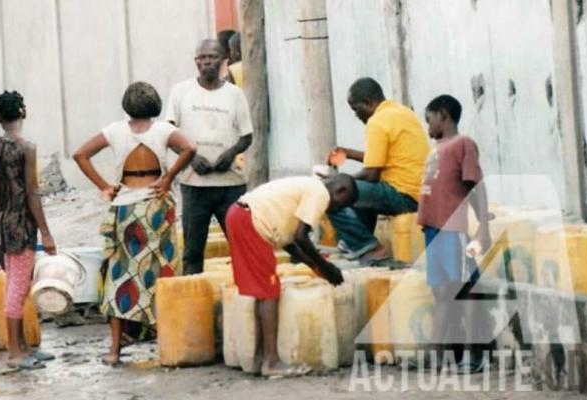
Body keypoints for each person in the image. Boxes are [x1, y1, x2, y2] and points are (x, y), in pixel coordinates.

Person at [73, 82, 196, 366]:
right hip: (156, 208)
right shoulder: (164, 130)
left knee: (120, 277)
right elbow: (190, 147)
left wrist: (104, 186)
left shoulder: (115, 131)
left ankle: (115, 351)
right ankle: (168, 345)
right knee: (163, 274)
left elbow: (80, 154)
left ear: (126, 106)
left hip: (125, 210)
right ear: (154, 105)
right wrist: (169, 177)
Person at [225, 174, 357, 377]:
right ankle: (272, 362)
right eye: (342, 204)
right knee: (269, 291)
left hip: (239, 215)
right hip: (252, 221)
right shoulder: (319, 193)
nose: (337, 210)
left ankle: (260, 358)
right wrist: (326, 266)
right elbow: (301, 237)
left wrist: (316, 267)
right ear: (341, 191)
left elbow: (291, 245)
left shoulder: (305, 187)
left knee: (262, 291)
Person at [417, 95, 491, 373]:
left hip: (453, 227)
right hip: (433, 228)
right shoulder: (437, 148)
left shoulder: (463, 144)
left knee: (466, 288)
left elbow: (476, 187)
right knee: (442, 291)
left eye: (430, 120)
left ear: (444, 115)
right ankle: (437, 354)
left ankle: (473, 354)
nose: (428, 127)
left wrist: (483, 227)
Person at [167, 39, 253, 275]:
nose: (207, 62)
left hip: (231, 186)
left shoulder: (235, 94)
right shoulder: (180, 92)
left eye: (213, 57)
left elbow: (247, 137)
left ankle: (245, 300)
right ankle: (195, 304)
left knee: (243, 246)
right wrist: (191, 158)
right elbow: (170, 134)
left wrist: (231, 153)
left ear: (223, 60)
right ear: (196, 62)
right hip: (195, 186)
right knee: (193, 252)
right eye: (202, 58)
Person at [326, 77, 429, 266]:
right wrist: (347, 153)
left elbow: (371, 174)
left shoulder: (377, 121)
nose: (356, 115)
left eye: (356, 109)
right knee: (357, 188)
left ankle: (369, 247)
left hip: (403, 195)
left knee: (331, 193)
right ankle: (353, 243)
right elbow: (383, 159)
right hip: (419, 193)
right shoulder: (402, 112)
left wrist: (338, 182)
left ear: (368, 102)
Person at [0, 90, 57, 370]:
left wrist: (3, 223)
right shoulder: (26, 148)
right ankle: (16, 353)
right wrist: (46, 233)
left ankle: (25, 348)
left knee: (18, 284)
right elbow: (32, 192)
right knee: (17, 289)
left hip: (6, 221)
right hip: (24, 225)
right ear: (23, 112)